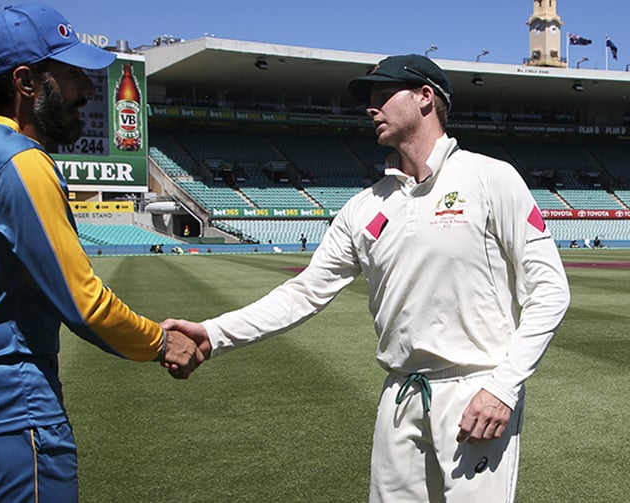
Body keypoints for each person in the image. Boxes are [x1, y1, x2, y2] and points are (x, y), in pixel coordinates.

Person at [163, 54, 570, 502]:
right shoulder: (364, 207)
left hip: (477, 392)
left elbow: (549, 291)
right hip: (400, 394)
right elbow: (304, 292)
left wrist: (503, 387)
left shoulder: (490, 179)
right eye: (369, 100)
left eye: (382, 96)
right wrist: (213, 334)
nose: (370, 109)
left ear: (425, 98)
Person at [0, 4, 203, 502]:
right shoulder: (23, 164)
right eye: (72, 75)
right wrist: (159, 342)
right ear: (26, 82)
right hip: (9, 410)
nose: (89, 91)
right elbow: (84, 302)